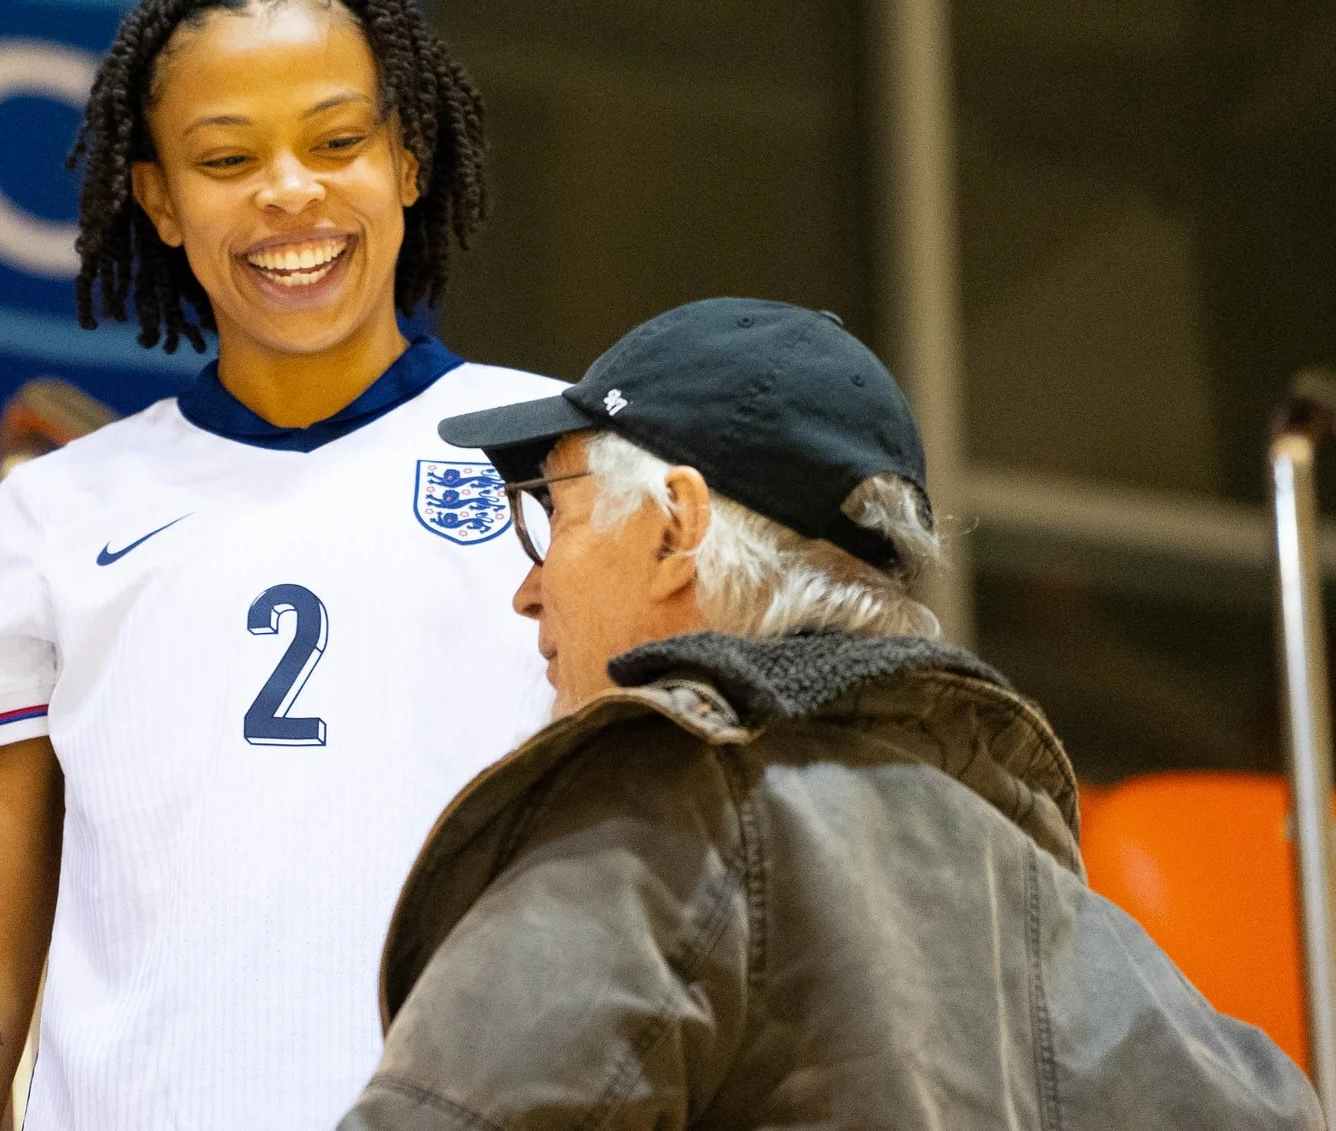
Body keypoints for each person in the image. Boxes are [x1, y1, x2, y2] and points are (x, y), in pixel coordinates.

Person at [343, 297, 1318, 1129]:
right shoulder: (1051, 901)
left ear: (675, 526)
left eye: (553, 514)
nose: (528, 590)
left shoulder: (670, 802)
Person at [0, 0, 559, 1130]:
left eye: (336, 141)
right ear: (157, 197)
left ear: (407, 158)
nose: (288, 190)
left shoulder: (565, 454)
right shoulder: (59, 507)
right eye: (227, 159)